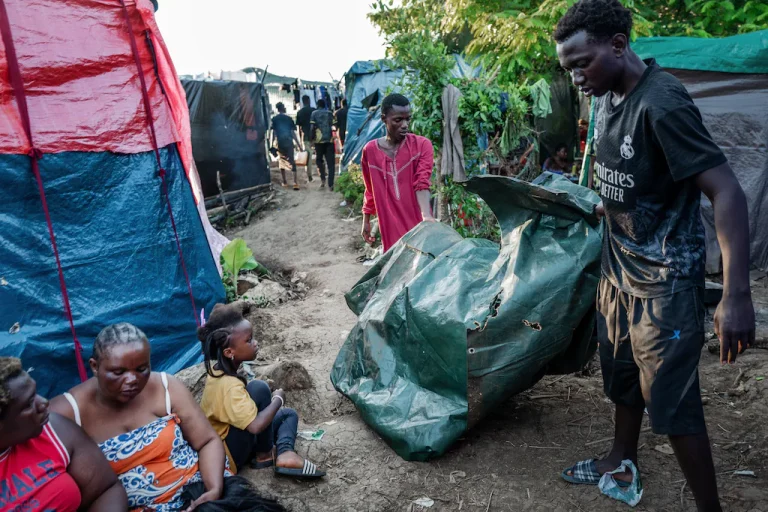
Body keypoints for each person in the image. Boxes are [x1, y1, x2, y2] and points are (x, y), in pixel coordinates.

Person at [554, 1, 755, 510]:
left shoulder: (663, 102)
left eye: (582, 64)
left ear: (618, 45)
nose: (576, 78)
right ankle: (620, 460)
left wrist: (736, 295)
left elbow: (727, 191)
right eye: (568, 68)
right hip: (618, 266)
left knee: (673, 404)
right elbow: (640, 175)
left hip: (665, 281)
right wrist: (609, 204)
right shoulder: (606, 94)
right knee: (622, 374)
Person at [50, 324, 283, 512]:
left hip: (199, 490)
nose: (132, 380)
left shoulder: (165, 386)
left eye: (142, 369)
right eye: (118, 372)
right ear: (94, 366)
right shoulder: (66, 413)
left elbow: (207, 441)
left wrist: (213, 489)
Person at [198, 302, 325, 479]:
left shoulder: (219, 373)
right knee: (260, 389)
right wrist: (278, 399)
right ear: (229, 352)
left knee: (287, 414)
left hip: (234, 440)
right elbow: (255, 426)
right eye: (249, 340)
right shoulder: (228, 386)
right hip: (227, 456)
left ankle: (284, 453)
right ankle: (265, 454)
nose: (255, 343)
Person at [0, 356, 128, 511]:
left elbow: (106, 491)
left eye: (35, 393)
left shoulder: (54, 430)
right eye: (28, 404)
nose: (44, 402)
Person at [360, 93, 436, 252]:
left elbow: (422, 182)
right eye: (398, 120)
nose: (405, 125)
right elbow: (370, 189)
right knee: (395, 264)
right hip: (390, 231)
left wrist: (426, 215)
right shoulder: (370, 151)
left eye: (408, 119)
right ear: (383, 119)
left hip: (418, 228)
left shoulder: (422, 145)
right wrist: (366, 219)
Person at [270, 102, 303, 190]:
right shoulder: (289, 119)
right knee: (292, 161)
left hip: (280, 142)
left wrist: (272, 144)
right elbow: (292, 133)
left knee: (281, 161)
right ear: (283, 108)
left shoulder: (274, 119)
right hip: (288, 142)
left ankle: (284, 182)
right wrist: (299, 145)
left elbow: (274, 133)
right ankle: (295, 182)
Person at [310, 99, 336, 190]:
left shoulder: (314, 113)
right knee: (331, 163)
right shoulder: (329, 113)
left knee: (319, 160)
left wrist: (311, 139)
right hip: (329, 140)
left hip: (319, 141)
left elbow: (312, 128)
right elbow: (334, 126)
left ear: (317, 105)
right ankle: (331, 184)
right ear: (324, 105)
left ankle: (323, 180)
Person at [295, 95, 316, 182]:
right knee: (320, 155)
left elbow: (298, 128)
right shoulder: (314, 111)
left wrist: (300, 140)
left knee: (308, 157)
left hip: (305, 137)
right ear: (309, 100)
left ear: (303, 101)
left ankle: (309, 175)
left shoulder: (300, 112)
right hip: (315, 136)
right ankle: (322, 172)